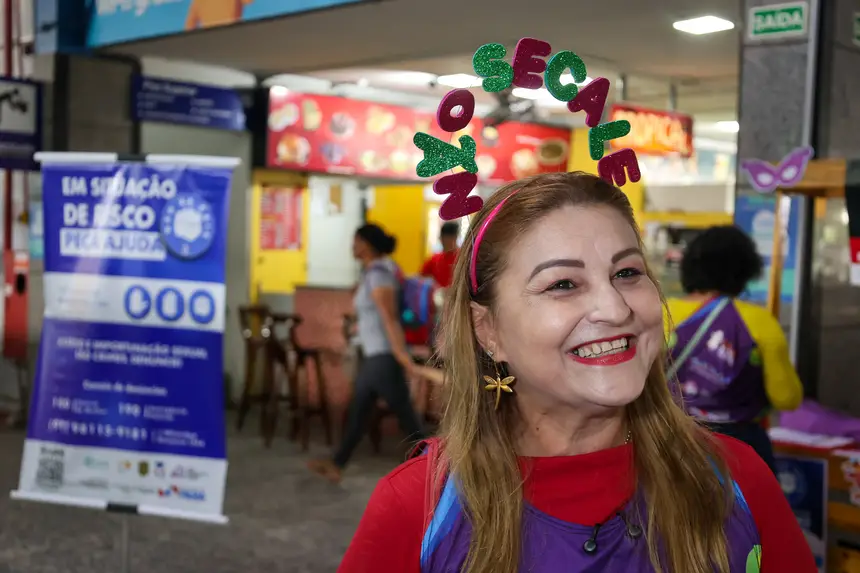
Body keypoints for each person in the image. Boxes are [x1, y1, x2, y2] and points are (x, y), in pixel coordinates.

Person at [339, 173, 814, 573]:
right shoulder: (417, 506)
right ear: (488, 330)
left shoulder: (735, 478)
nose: (615, 309)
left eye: (627, 273)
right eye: (563, 283)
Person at [666, 225, 804, 473]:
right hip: (741, 447)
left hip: (672, 442)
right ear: (745, 270)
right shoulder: (759, 322)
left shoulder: (660, 314)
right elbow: (787, 398)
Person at [308, 224, 425, 483]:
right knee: (361, 412)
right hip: (376, 355)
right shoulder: (372, 274)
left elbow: (390, 318)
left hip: (383, 356)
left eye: (356, 241)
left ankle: (437, 468)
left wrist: (400, 354)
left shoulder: (380, 275)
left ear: (367, 245)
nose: (352, 246)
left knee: (407, 419)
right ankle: (337, 464)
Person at [421, 221, 461, 288]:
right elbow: (421, 277)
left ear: (455, 238)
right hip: (440, 293)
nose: (448, 242)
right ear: (441, 238)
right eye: (445, 239)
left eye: (450, 238)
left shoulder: (463, 258)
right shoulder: (434, 259)